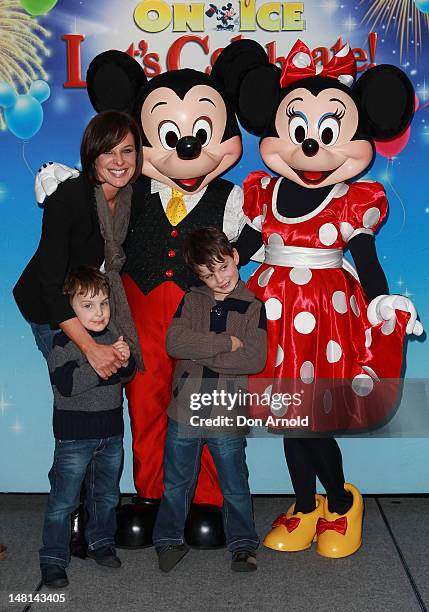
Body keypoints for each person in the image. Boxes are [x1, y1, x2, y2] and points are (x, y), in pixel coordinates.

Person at [213, 39, 423, 558]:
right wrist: (221, 270)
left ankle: (339, 500)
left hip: (326, 322)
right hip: (273, 318)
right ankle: (305, 505)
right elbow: (248, 244)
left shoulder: (355, 198)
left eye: (326, 133)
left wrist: (380, 301)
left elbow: (367, 258)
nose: (309, 146)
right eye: (298, 131)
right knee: (288, 417)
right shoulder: (262, 191)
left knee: (311, 420)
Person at [152, 228, 267, 572]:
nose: (219, 279)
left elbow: (254, 360)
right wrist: (225, 343)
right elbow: (174, 344)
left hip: (227, 411)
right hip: (184, 410)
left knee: (234, 483)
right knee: (176, 483)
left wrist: (199, 349)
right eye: (207, 274)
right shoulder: (192, 300)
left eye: (223, 268)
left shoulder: (252, 306)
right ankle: (168, 540)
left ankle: (243, 544)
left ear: (234, 256)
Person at [13, 109, 143, 375]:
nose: (119, 161)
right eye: (108, 151)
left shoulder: (135, 196)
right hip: (51, 307)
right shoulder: (68, 197)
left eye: (127, 151)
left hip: (95, 304)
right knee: (79, 389)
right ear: (92, 156)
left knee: (108, 383)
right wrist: (91, 349)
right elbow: (50, 283)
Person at [39, 267, 136, 589]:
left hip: (111, 432)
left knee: (106, 496)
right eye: (88, 305)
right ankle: (53, 557)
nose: (99, 313)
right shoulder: (62, 342)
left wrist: (124, 359)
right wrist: (104, 364)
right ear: (70, 308)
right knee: (64, 501)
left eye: (104, 304)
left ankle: (101, 543)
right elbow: (67, 386)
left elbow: (126, 374)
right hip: (74, 438)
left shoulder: (111, 336)